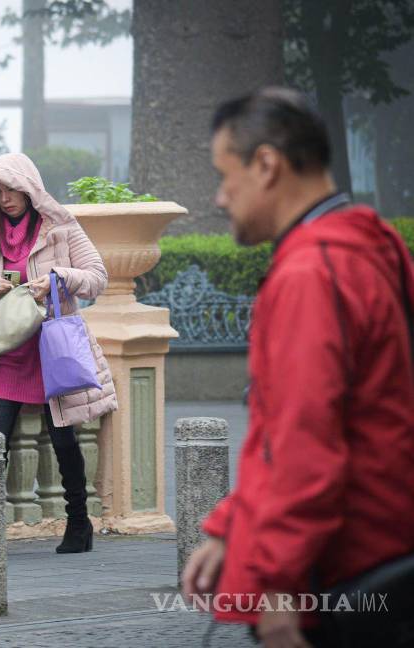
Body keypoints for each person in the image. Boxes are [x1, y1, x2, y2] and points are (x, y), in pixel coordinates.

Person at [182, 88, 414, 647]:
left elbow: (305, 446)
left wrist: (278, 589)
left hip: (337, 573)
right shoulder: (374, 246)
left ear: (266, 164)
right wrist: (232, 526)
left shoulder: (308, 274)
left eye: (224, 174)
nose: (220, 197)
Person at [0, 152, 118, 554]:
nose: (6, 198)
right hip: (9, 353)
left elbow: (97, 278)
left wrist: (58, 278)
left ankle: (79, 524)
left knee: (64, 443)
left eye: (12, 188)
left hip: (52, 352)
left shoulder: (60, 229)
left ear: (30, 189)